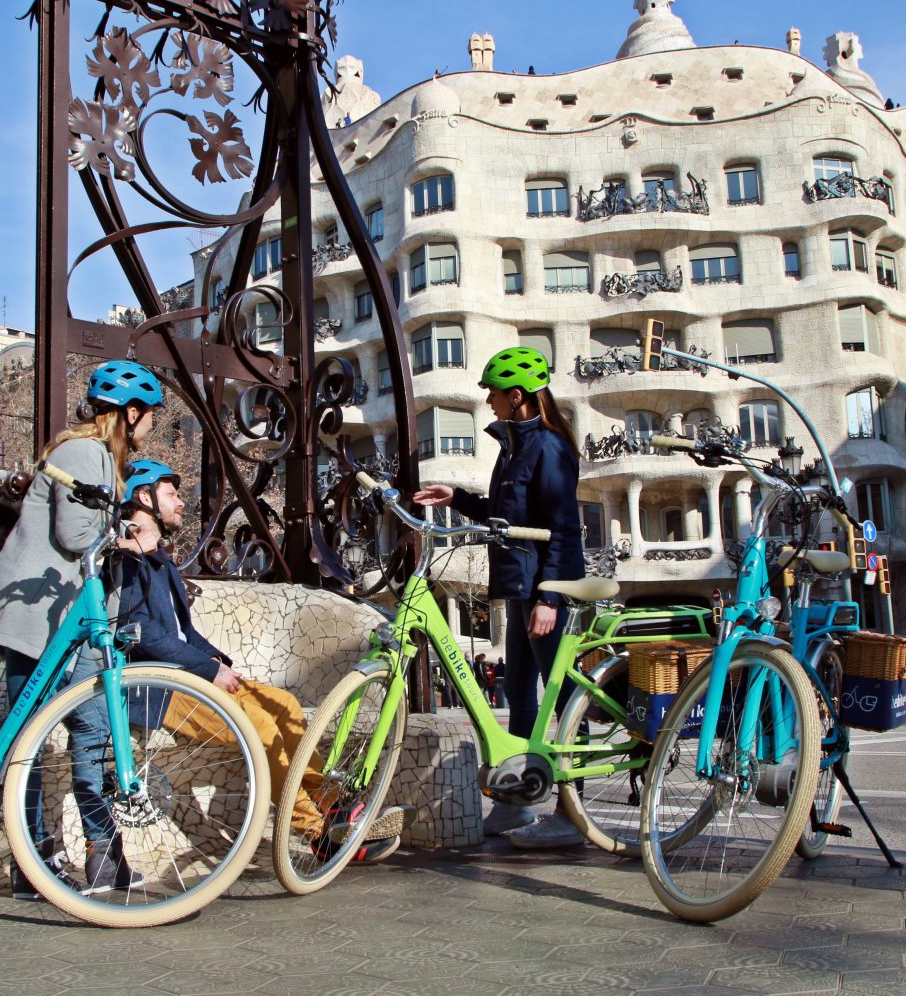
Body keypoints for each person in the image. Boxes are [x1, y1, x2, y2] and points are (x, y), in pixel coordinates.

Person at [113, 459, 405, 861]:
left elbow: (183, 633)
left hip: (193, 676)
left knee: (282, 705)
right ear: (144, 498)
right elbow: (142, 633)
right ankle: (317, 833)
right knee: (262, 727)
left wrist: (219, 663)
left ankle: (335, 807)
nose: (180, 502)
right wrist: (208, 669)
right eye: (171, 494)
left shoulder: (159, 561)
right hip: (161, 688)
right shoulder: (128, 561)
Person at [0, 359, 164, 898]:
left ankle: (98, 858)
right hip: (42, 617)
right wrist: (128, 534)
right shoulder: (89, 453)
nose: (150, 425)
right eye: (148, 415)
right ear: (130, 413)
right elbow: (77, 532)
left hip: (64, 618)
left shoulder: (93, 455)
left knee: (88, 732)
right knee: (33, 741)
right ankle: (34, 858)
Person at [412, 346, 584, 848]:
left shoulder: (548, 447)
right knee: (522, 695)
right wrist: (458, 498)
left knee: (563, 697)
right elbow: (505, 514)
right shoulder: (514, 447)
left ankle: (572, 814)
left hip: (542, 586)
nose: (487, 400)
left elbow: (562, 528)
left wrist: (550, 597)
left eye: (492, 392)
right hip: (517, 584)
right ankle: (517, 802)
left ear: (517, 397)